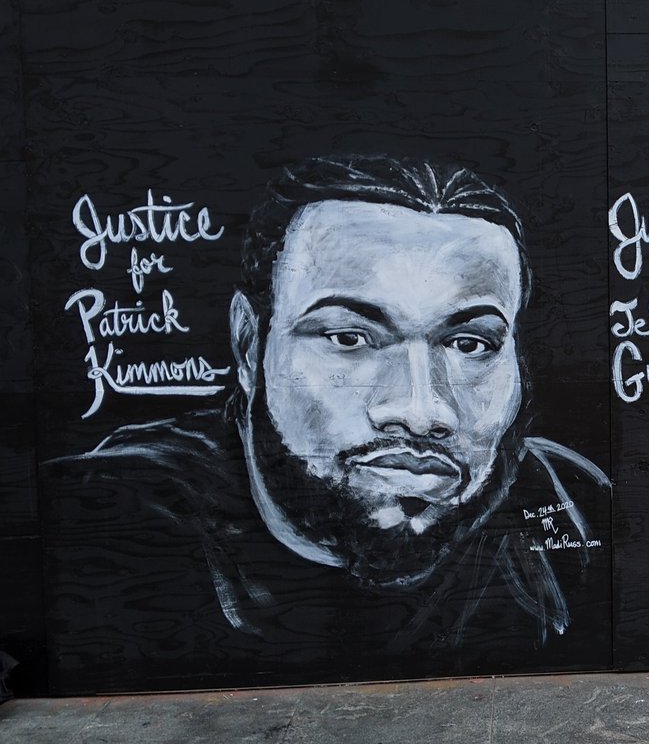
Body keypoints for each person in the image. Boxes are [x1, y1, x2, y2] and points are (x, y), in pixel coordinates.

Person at [45, 156, 610, 691]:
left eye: (470, 343)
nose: (421, 410)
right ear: (249, 346)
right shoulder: (110, 519)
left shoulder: (565, 498)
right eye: (349, 338)